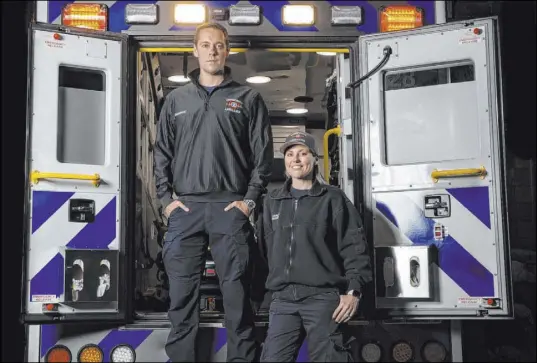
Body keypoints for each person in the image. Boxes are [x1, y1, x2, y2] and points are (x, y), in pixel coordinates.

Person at [153, 22, 273, 362]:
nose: (212, 51)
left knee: (237, 296)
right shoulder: (176, 99)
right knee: (181, 297)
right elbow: (161, 153)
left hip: (228, 207)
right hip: (185, 209)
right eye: (205, 45)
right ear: (195, 50)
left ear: (227, 50)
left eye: (218, 45)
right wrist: (166, 202)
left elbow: (263, 158)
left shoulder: (248, 98)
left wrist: (248, 202)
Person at [257, 132, 372, 362]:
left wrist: (354, 291)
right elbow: (262, 251)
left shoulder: (333, 199)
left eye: (302, 153)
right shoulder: (271, 202)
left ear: (314, 158)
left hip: (322, 298)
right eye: (290, 154)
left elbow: (354, 247)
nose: (296, 159)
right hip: (283, 300)